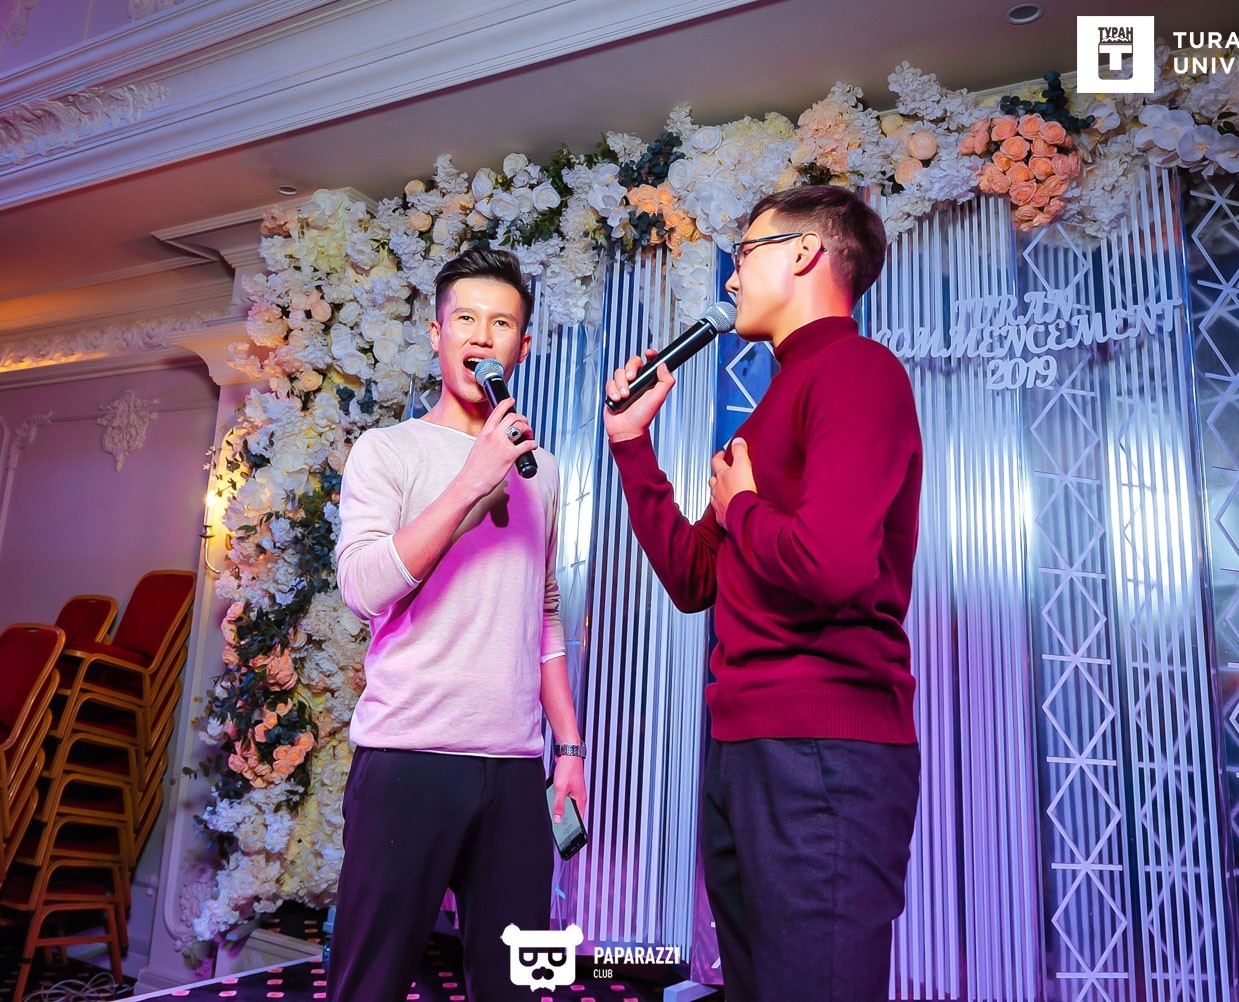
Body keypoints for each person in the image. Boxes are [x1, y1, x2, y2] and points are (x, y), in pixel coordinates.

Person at [603, 185, 922, 1002]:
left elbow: (832, 566)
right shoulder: (768, 408)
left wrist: (742, 506)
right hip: (747, 746)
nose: (732, 277)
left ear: (806, 252)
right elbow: (693, 579)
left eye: (745, 254)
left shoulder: (857, 370)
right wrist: (632, 448)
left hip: (823, 753)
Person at [327, 247, 587, 1001]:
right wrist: (471, 481)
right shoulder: (389, 451)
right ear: (437, 335)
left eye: (501, 323)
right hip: (409, 755)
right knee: (369, 984)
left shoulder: (544, 471)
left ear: (522, 346)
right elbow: (363, 588)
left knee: (518, 985)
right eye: (465, 319)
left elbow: (542, 613)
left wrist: (568, 747)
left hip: (514, 764)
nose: (482, 335)